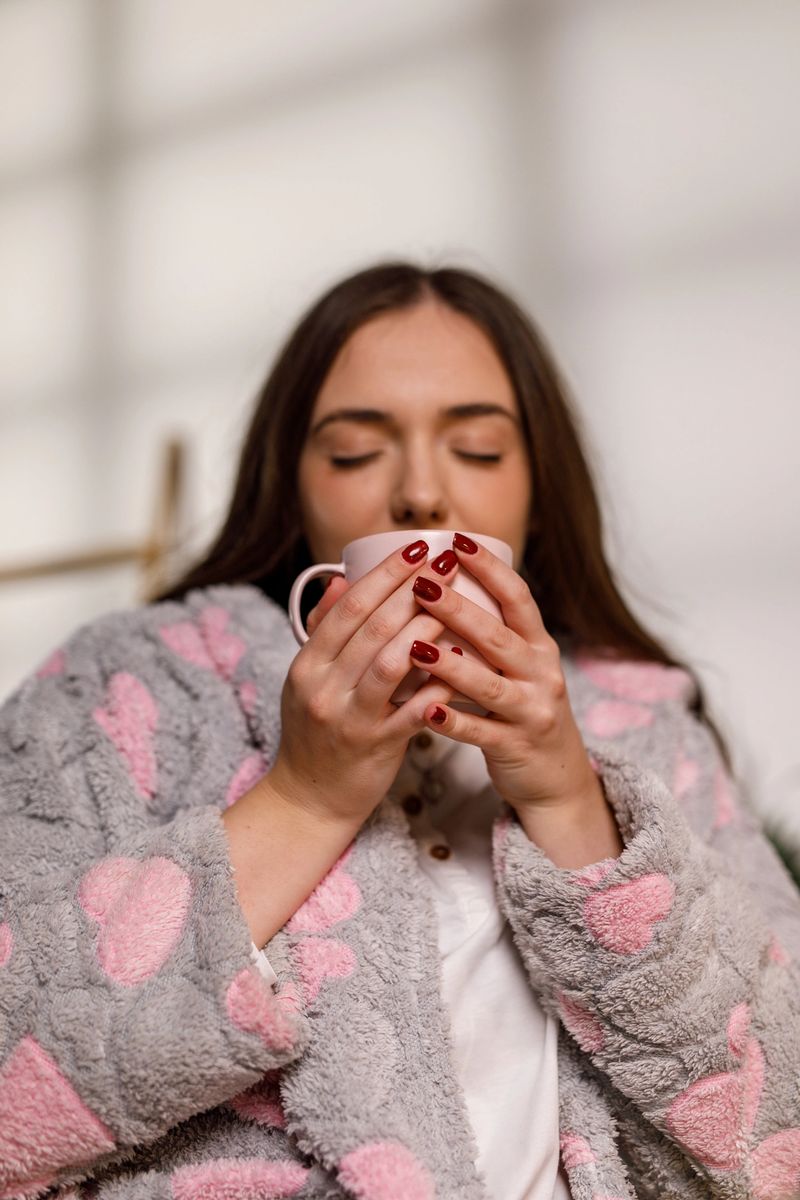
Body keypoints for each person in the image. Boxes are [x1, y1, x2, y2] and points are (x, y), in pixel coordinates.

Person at [0, 262, 798, 1200]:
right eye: (353, 453)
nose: (422, 493)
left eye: (478, 449)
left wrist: (568, 799)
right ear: (290, 480)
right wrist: (306, 795)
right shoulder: (130, 686)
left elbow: (776, 1125)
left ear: (540, 486)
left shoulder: (642, 718)